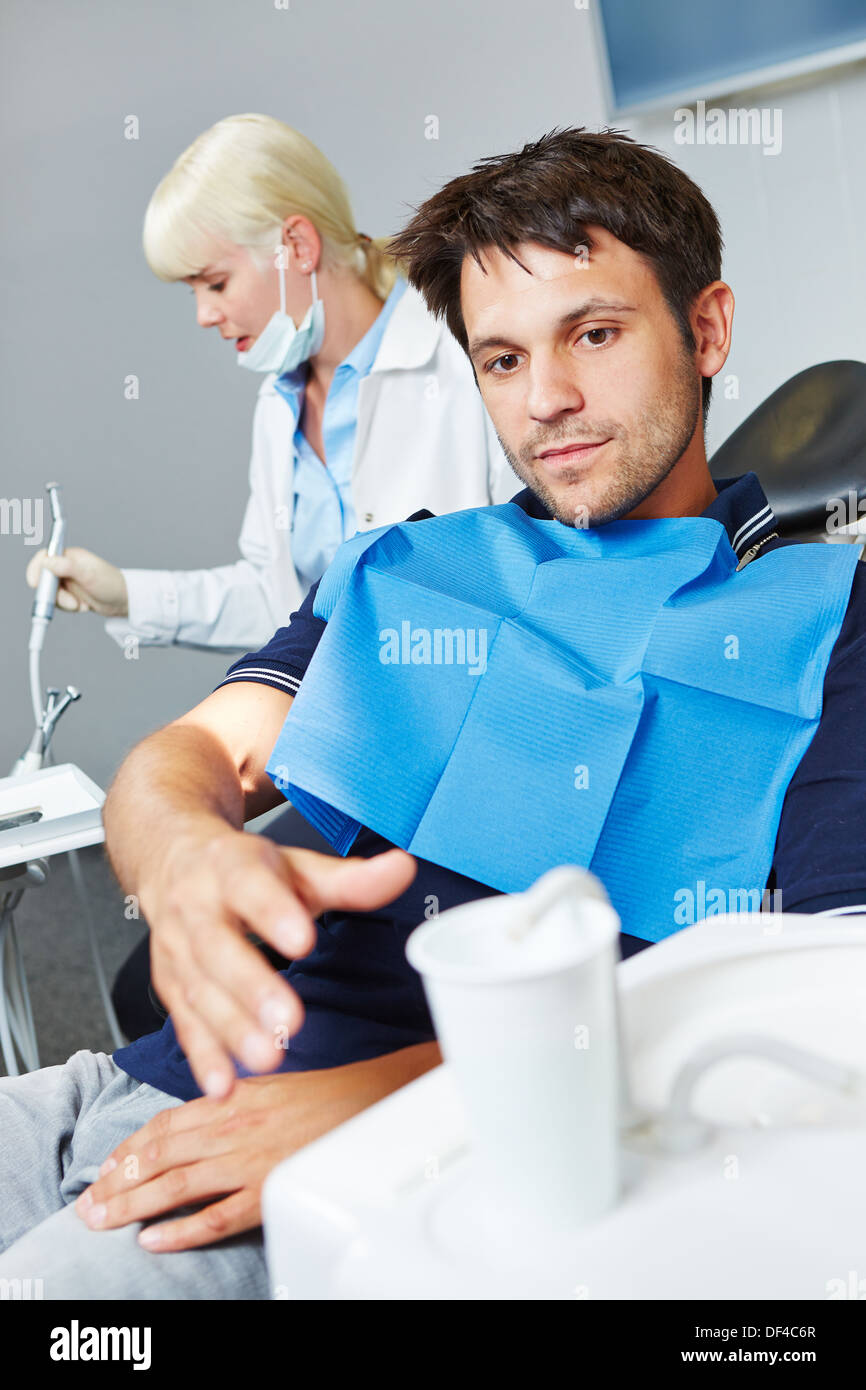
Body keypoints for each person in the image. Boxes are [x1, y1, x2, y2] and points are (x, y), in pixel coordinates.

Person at [2, 127, 864, 1301]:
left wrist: (385, 1102)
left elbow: (816, 986)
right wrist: (185, 848)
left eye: (594, 334)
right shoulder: (407, 568)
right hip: (124, 1086)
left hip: (379, 1160)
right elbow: (192, 754)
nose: (547, 400)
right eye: (501, 361)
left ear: (704, 329)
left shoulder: (825, 616)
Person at [24, 113, 512, 653]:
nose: (204, 315)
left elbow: (535, 566)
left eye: (215, 282)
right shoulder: (280, 404)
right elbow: (277, 600)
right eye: (193, 291)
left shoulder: (464, 355)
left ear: (297, 246)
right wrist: (126, 596)